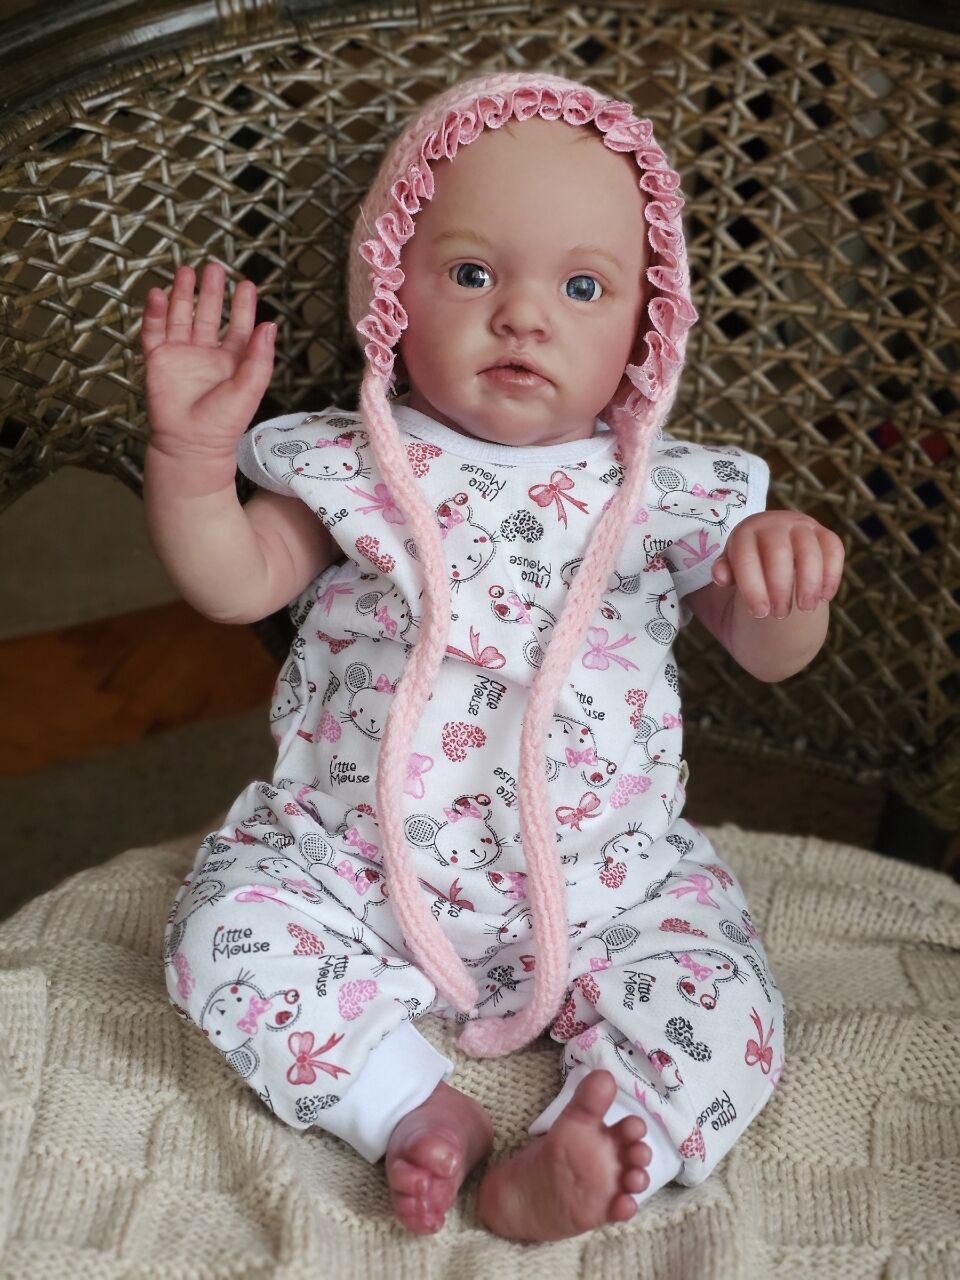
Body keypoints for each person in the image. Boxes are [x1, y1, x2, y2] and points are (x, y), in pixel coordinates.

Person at [143, 71, 843, 1243]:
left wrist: (786, 585)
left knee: (726, 1005)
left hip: (611, 886)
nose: (524, 316)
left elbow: (770, 656)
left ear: (647, 329)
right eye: (473, 274)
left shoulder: (667, 493)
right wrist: (188, 459)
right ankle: (408, 1106)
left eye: (582, 287)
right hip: (351, 874)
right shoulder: (353, 465)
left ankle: (604, 1133)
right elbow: (235, 579)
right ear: (392, 293)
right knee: (220, 933)